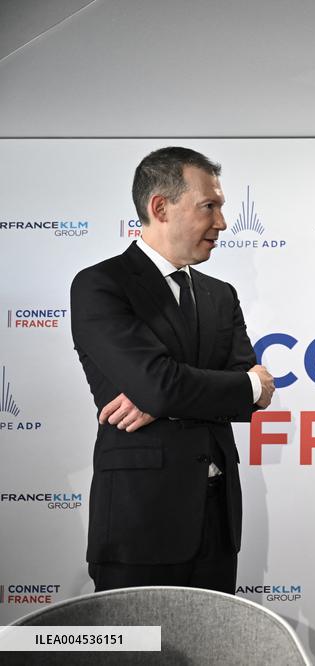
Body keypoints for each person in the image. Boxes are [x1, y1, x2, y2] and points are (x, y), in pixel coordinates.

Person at [70, 147, 274, 593]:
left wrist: (169, 397)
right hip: (139, 523)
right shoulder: (101, 285)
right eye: (209, 206)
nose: (221, 222)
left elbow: (255, 398)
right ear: (159, 207)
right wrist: (239, 384)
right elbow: (170, 385)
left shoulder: (221, 294)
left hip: (217, 523)